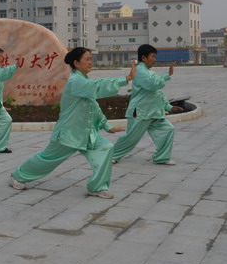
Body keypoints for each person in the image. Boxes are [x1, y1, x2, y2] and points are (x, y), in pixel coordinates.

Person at [9, 48, 134, 198]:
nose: (90, 62)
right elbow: (97, 87)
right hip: (69, 133)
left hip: (86, 133)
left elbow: (93, 105)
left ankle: (97, 187)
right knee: (48, 159)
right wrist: (126, 78)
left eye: (91, 59)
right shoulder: (76, 81)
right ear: (76, 63)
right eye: (87, 59)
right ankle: (18, 176)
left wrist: (106, 125)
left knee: (105, 147)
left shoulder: (84, 80)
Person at [112, 44, 183, 166]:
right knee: (131, 137)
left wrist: (169, 107)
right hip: (140, 111)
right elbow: (153, 84)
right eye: (153, 56)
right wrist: (167, 75)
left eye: (155, 56)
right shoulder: (139, 71)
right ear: (144, 58)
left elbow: (157, 92)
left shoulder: (150, 72)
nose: (155, 59)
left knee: (167, 129)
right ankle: (112, 155)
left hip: (154, 112)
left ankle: (162, 157)